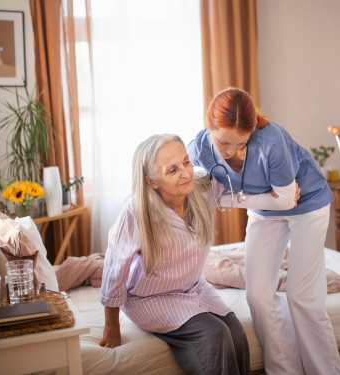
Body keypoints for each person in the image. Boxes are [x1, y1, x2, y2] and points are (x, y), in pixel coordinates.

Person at [187, 87, 340, 374]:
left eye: (240, 143)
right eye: (223, 142)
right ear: (209, 124)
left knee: (302, 297)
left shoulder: (272, 140)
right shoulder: (198, 148)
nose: (230, 151)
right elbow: (202, 193)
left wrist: (231, 199)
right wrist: (240, 199)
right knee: (257, 294)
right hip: (264, 212)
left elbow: (286, 200)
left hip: (308, 205)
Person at [99, 134, 253, 375]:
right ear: (151, 181)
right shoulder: (137, 212)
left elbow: (240, 178)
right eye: (172, 170)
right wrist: (111, 325)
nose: (185, 173)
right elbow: (115, 267)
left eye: (186, 162)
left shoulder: (201, 187)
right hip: (150, 298)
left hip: (193, 288)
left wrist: (282, 190)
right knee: (216, 334)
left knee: (238, 333)